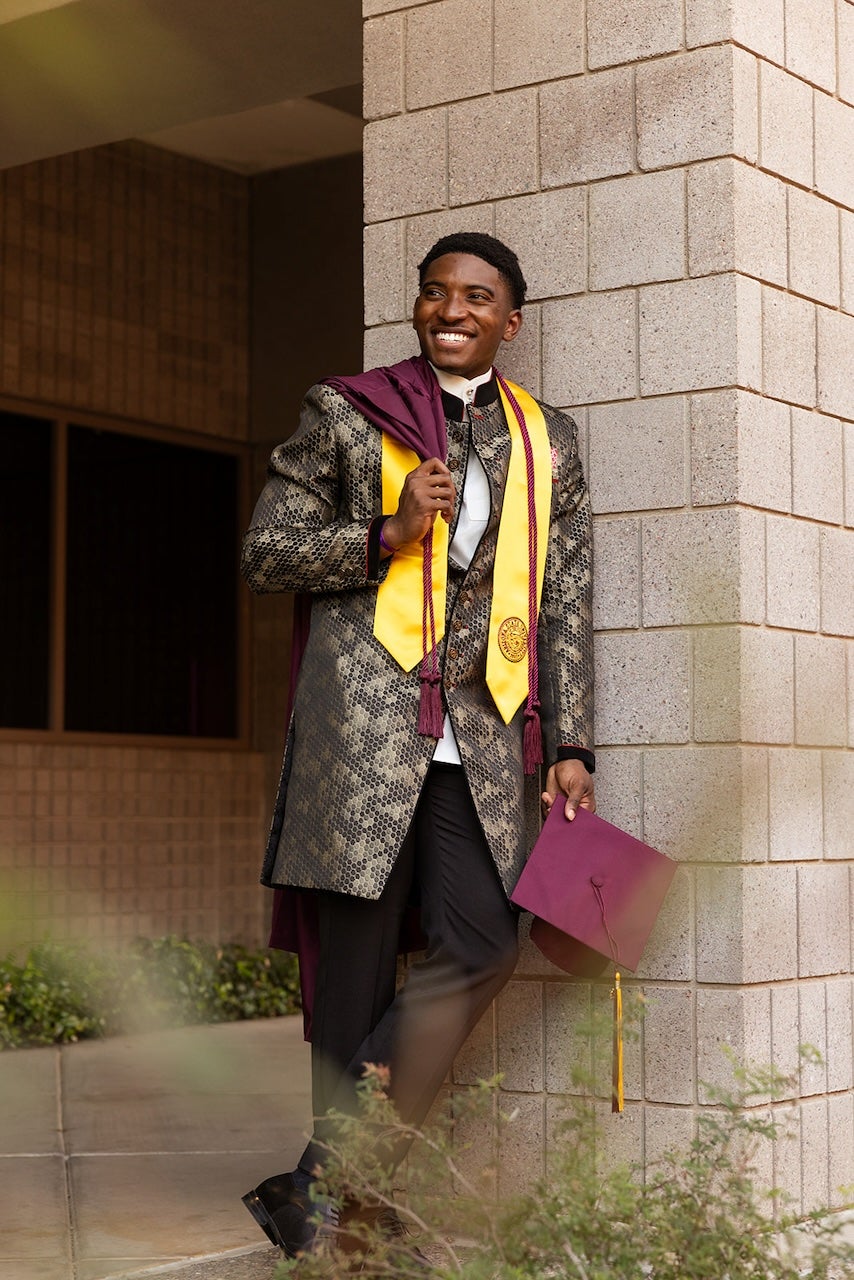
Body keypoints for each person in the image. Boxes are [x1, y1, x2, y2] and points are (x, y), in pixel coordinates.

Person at [240, 231, 595, 1258]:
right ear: (417, 307)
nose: (452, 308)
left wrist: (570, 739)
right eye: (435, 292)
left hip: (479, 741)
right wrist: (381, 537)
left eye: (476, 296)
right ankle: (350, 1200)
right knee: (350, 980)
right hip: (361, 737)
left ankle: (320, 1180)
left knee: (482, 938)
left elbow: (564, 596)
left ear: (508, 320)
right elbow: (264, 550)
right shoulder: (348, 414)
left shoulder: (548, 440)